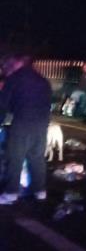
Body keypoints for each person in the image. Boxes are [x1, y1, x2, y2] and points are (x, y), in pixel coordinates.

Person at [0, 55, 52, 205]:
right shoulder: (42, 80)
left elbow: (2, 104)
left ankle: (11, 193)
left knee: (15, 156)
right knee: (37, 157)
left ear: (16, 64)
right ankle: (40, 191)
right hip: (42, 123)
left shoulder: (14, 79)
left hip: (22, 122)